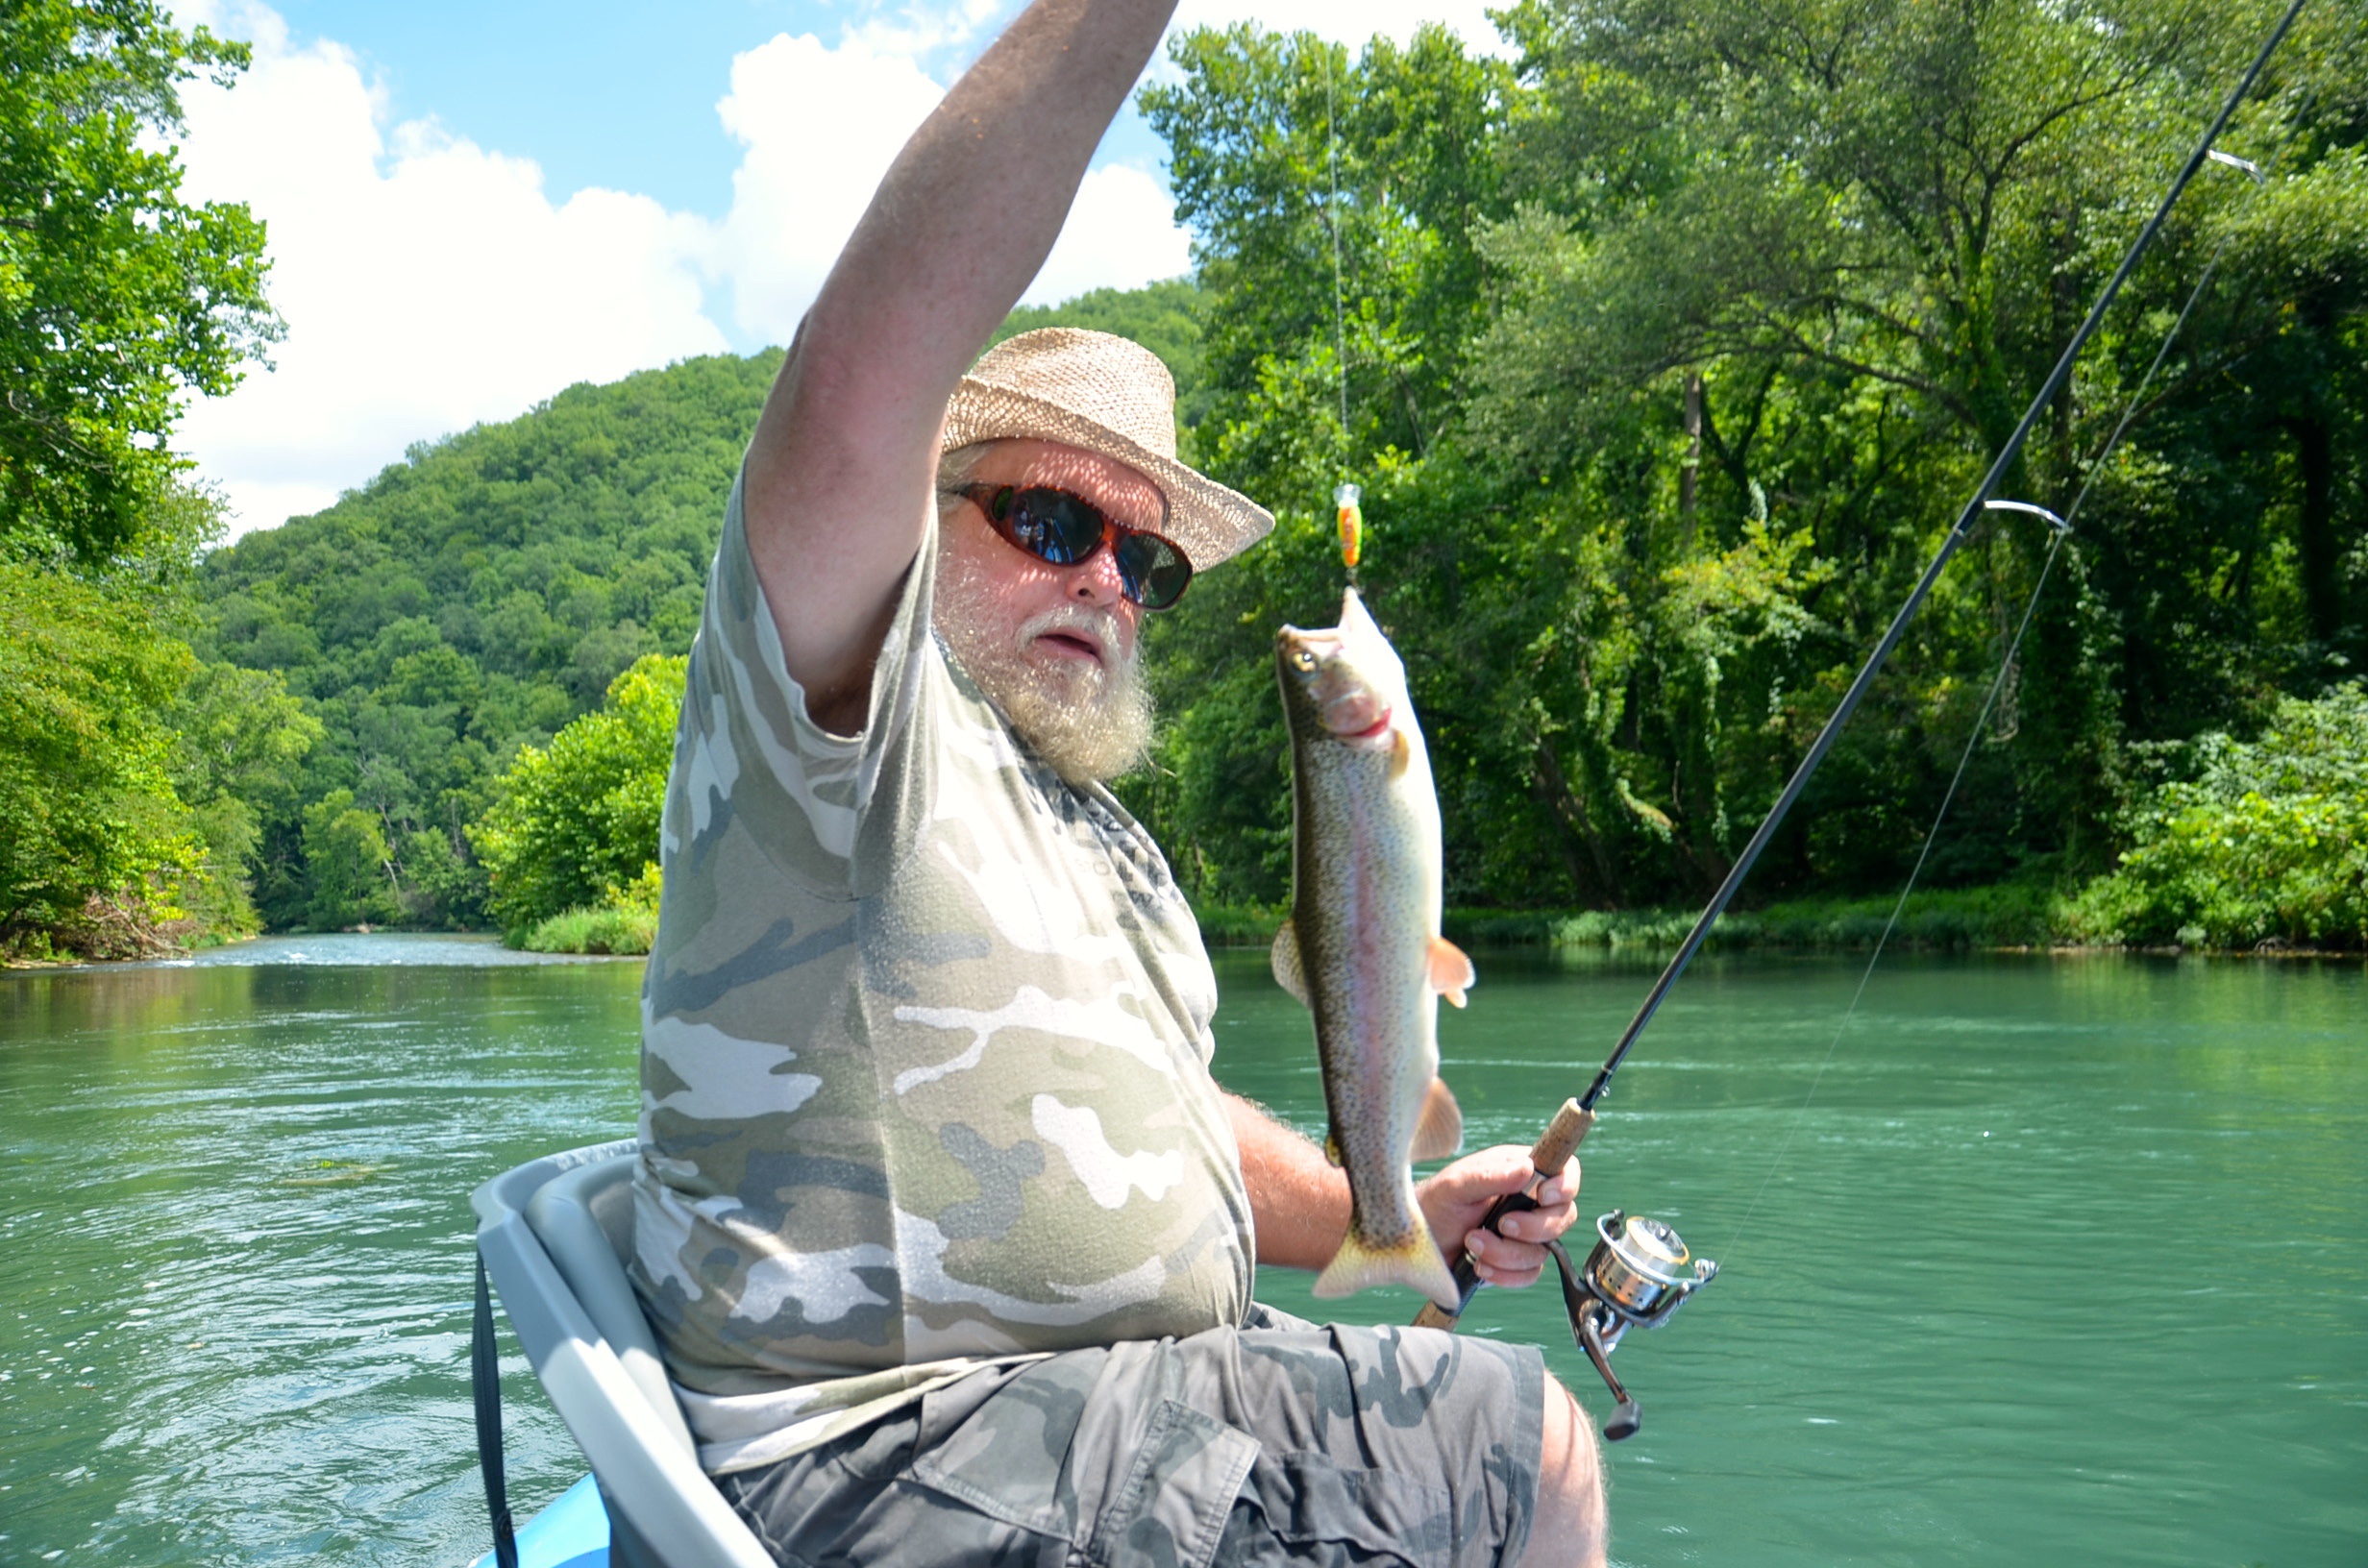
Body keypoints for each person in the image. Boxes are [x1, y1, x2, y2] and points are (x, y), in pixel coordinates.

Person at [627, 0, 1607, 1562]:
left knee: (1531, 1436)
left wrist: (1408, 1198)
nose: (1105, 582)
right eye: (1049, 524)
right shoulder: (849, 730)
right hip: (894, 1441)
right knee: (1487, 1465)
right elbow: (860, 373)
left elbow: (1170, 1127)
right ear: (920, 511)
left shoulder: (1102, 843)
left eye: (1143, 557)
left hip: (1130, 1401)